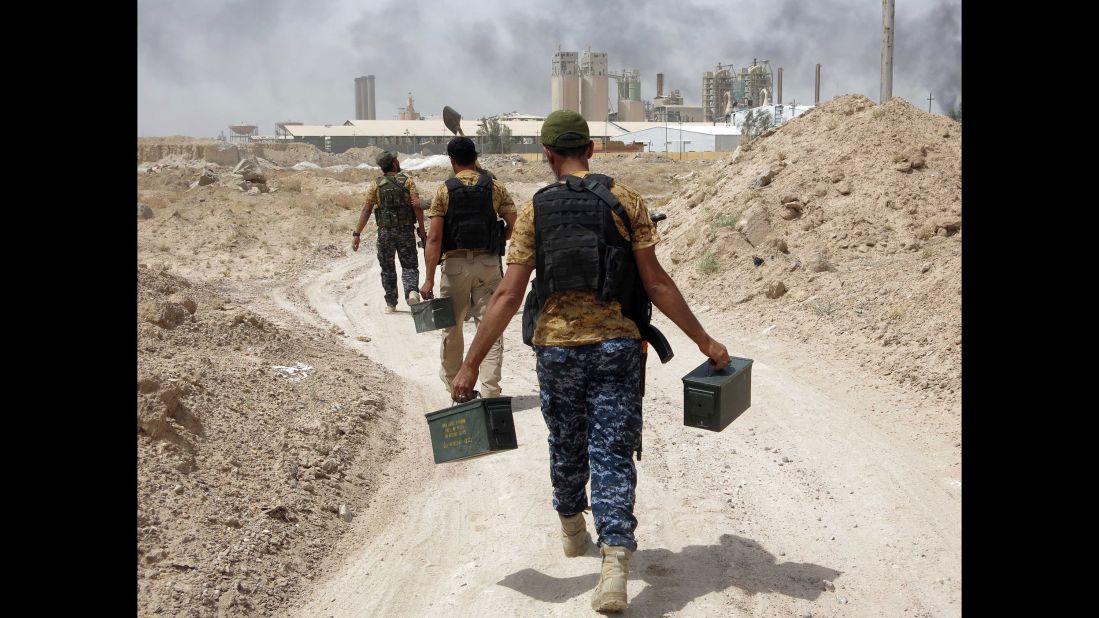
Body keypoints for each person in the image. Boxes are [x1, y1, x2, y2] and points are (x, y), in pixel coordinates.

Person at [449, 110, 730, 612]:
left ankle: (572, 524)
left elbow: (509, 294)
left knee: (566, 441)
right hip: (617, 347)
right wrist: (705, 341)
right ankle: (616, 560)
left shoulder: (536, 209)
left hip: (556, 350)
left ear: (549, 155)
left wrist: (470, 363)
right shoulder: (627, 201)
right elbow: (656, 283)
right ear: (592, 150)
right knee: (613, 451)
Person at [420, 137, 517, 397]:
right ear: (475, 157)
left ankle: (457, 388)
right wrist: (497, 238)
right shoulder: (495, 187)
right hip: (488, 264)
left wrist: (428, 279)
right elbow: (514, 225)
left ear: (452, 161)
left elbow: (434, 238)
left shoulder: (444, 190)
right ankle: (489, 390)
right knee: (490, 326)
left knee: (452, 327)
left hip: (454, 265)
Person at [352, 151, 427, 312]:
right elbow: (417, 206)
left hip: (385, 232)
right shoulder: (407, 182)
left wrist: (357, 233)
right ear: (394, 164)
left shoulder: (376, 185)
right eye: (396, 160)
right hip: (405, 231)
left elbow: (366, 209)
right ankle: (412, 291)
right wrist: (421, 229)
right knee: (409, 265)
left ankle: (391, 303)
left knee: (387, 268)